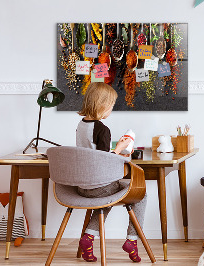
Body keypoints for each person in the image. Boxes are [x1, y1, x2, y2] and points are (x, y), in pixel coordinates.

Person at [76, 82, 146, 263]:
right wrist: (121, 148)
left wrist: (115, 149)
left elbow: (93, 154)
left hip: (82, 186)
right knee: (141, 194)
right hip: (99, 186)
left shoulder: (81, 125)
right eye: (111, 106)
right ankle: (132, 240)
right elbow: (104, 161)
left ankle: (88, 238)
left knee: (106, 198)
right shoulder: (102, 129)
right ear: (102, 105)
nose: (111, 110)